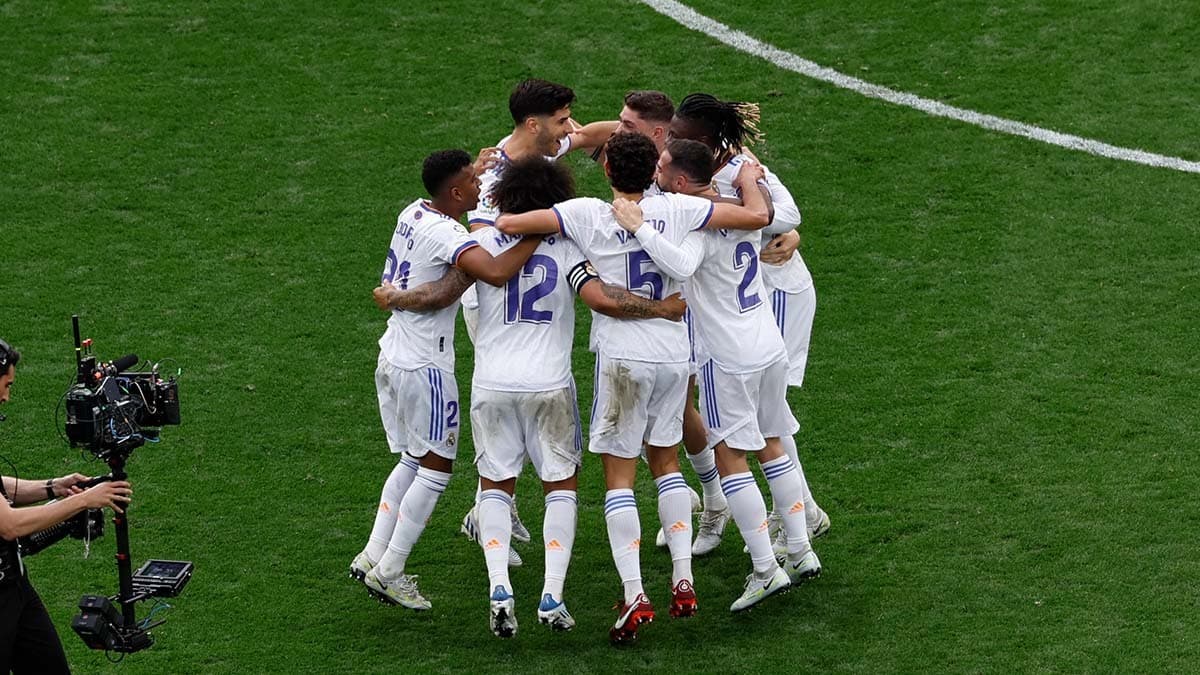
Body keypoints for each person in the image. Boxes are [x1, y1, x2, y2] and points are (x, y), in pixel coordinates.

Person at [378, 156, 686, 638]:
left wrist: (397, 297)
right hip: (549, 384)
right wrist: (661, 308)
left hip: (491, 385)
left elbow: (445, 290)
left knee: (495, 486)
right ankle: (551, 594)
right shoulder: (565, 247)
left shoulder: (478, 242)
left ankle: (500, 587)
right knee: (560, 485)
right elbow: (603, 298)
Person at [496, 132, 769, 644]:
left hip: (623, 358)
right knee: (666, 464)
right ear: (655, 170)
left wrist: (563, 233)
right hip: (674, 356)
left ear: (607, 172)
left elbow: (511, 223)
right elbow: (752, 217)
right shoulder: (684, 208)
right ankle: (683, 579)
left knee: (619, 479)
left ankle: (635, 591)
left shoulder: (585, 213)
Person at [612, 139, 821, 612]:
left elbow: (681, 263)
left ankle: (766, 569)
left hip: (729, 356)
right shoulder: (741, 207)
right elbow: (772, 214)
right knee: (771, 441)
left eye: (663, 166)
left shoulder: (698, 221)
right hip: (768, 344)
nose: (656, 169)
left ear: (681, 181)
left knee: (730, 455)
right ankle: (801, 548)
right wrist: (751, 179)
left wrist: (640, 226)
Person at [349, 149, 541, 611]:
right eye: (473, 183)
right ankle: (390, 571)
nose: (481, 190)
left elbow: (452, 283)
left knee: (412, 460)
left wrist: (401, 296)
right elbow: (492, 272)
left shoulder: (414, 210)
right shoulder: (446, 231)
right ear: (455, 193)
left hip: (393, 355)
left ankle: (372, 553)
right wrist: (538, 233)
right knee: (436, 467)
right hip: (425, 367)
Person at [457, 78, 619, 558]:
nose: (570, 128)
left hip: (526, 293)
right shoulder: (491, 180)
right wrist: (561, 222)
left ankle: (489, 511)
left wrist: (647, 131)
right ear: (534, 124)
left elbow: (594, 136)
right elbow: (495, 244)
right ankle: (489, 512)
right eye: (562, 120)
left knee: (507, 405)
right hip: (494, 299)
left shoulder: (542, 152)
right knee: (507, 404)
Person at [671, 93, 831, 549]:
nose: (670, 143)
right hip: (741, 301)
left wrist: (778, 225)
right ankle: (797, 514)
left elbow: (789, 214)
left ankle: (800, 515)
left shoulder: (738, 167)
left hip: (773, 292)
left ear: (703, 140)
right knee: (761, 417)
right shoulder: (700, 171)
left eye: (679, 136)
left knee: (770, 420)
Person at [0, 339, 133, 674]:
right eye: (6, 386)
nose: (6, 397)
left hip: (14, 584)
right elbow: (9, 525)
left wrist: (52, 487)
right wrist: (84, 500)